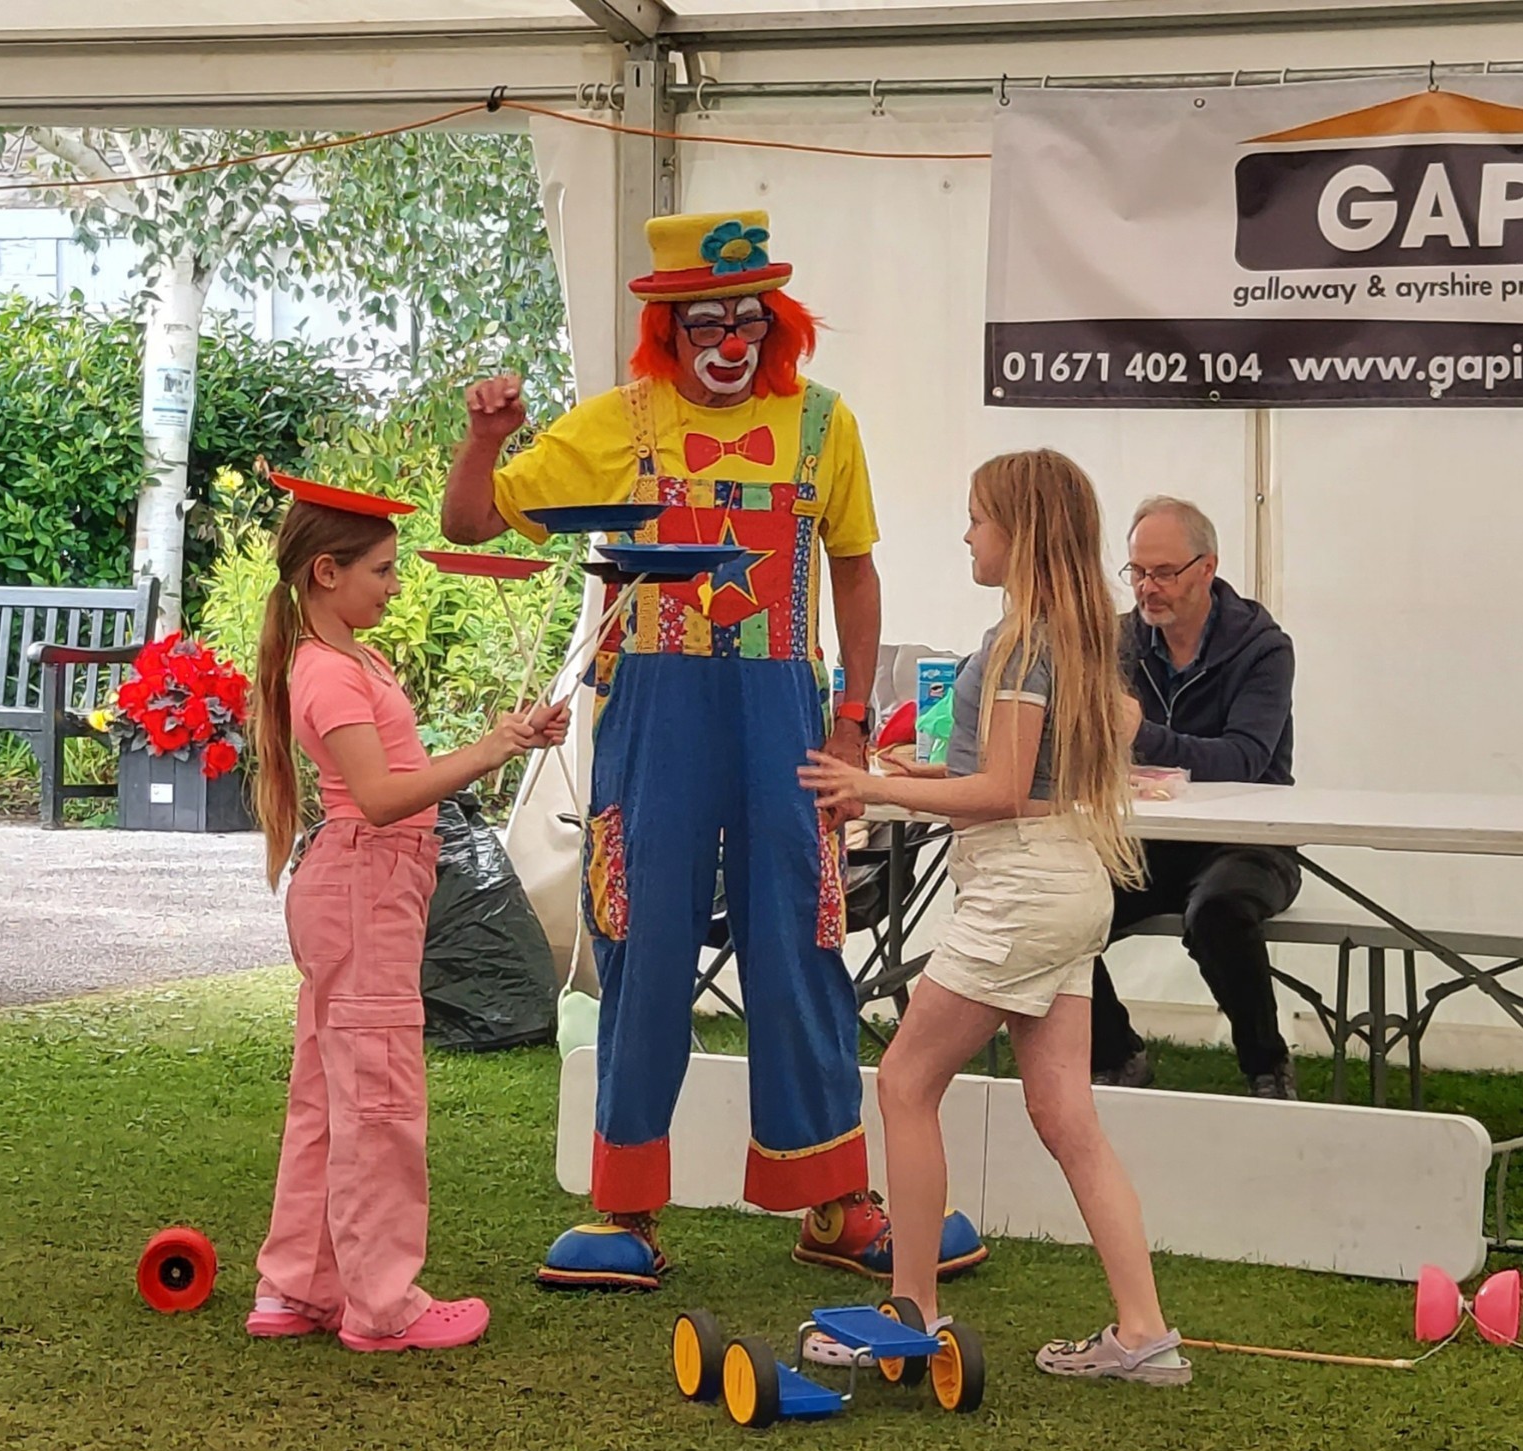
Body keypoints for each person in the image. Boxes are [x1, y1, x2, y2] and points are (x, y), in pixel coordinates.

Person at [441, 208, 985, 1291]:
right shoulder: (615, 421)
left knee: (803, 932)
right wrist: (489, 437)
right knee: (641, 932)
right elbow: (467, 524)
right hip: (654, 709)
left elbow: (855, 569)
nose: (728, 342)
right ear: (670, 330)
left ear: (772, 322)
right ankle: (625, 1204)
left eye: (746, 318)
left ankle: (832, 1199)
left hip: (785, 714)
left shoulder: (824, 424)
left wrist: (845, 719)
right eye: (705, 323)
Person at [801, 449, 1191, 1386]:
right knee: (1066, 1115)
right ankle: (1143, 1331)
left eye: (977, 518)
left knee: (903, 1081)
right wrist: (909, 781)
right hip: (1063, 883)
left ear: (1017, 531)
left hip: (1019, 890)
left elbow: (1008, 787)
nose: (967, 534)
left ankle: (910, 1312)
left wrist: (866, 780)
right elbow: (1019, 777)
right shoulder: (1071, 634)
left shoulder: (1022, 640)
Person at [247, 482, 567, 1352]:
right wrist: (495, 747)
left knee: (329, 1090)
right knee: (380, 1096)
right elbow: (384, 797)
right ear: (326, 572)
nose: (395, 585)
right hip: (366, 889)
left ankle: (296, 1286)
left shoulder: (343, 659)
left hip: (360, 887)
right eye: (381, 570)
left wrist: (507, 737)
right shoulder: (329, 671)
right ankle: (382, 1303)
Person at [1093, 496, 1299, 1100]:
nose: (1146, 588)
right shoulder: (1120, 641)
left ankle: (1266, 1065)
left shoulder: (1263, 647)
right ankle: (1115, 1051)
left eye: (1163, 573)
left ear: (1207, 568)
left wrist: (1141, 736)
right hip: (1148, 839)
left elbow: (1244, 762)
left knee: (1217, 911)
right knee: (1060, 902)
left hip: (1250, 839)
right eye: (1136, 572)